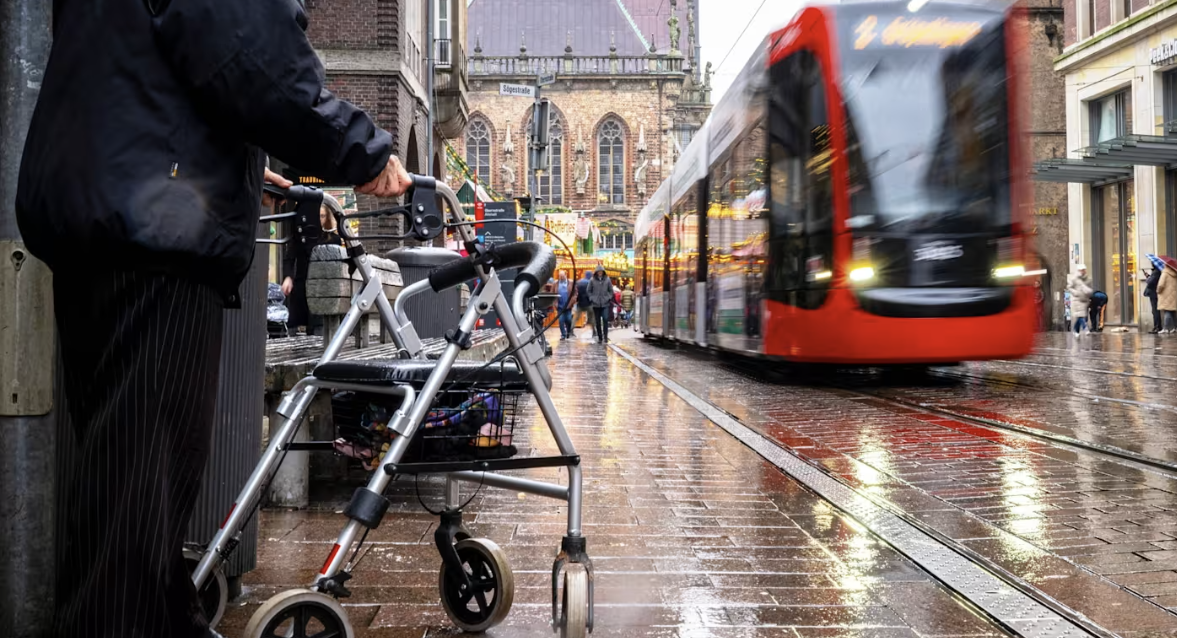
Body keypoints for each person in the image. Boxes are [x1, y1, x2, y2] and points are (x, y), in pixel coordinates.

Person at [14, 1, 411, 637]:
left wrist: (239, 160)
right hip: (156, 233)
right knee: (135, 508)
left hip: (107, 205)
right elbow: (250, 51)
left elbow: (156, 64)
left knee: (129, 495)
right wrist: (360, 148)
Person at [282, 193, 346, 336]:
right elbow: (289, 257)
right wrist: (288, 277)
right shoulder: (301, 237)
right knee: (296, 324)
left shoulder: (334, 239)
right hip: (302, 284)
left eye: (322, 216)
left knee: (318, 326)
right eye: (316, 216)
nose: (318, 220)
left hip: (323, 287)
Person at [588, 266, 615, 343]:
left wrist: (608, 297)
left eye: (601, 272)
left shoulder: (607, 280)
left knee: (605, 319)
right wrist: (592, 298)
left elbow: (611, 290)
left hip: (605, 303)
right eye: (598, 272)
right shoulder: (592, 280)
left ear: (603, 272)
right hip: (595, 304)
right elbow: (588, 290)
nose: (600, 273)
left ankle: (605, 336)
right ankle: (600, 337)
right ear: (596, 272)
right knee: (597, 321)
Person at [1067, 265, 1094, 335]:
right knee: (1081, 316)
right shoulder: (1074, 279)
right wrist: (1075, 292)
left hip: (1085, 299)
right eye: (1081, 270)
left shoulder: (1088, 279)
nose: (1082, 271)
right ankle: (1085, 328)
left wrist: (1088, 292)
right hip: (1077, 300)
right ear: (1078, 270)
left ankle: (1076, 330)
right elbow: (1069, 287)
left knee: (1081, 316)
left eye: (1084, 270)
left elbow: (1091, 288)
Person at [574, 270, 594, 339]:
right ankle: (594, 332)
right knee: (592, 318)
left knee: (576, 318)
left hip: (580, 303)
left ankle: (570, 331)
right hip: (589, 303)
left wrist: (577, 300)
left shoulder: (579, 282)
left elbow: (576, 293)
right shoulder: (591, 283)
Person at [556, 270, 576, 340]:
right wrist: (555, 303)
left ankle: (568, 332)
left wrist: (573, 300)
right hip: (560, 306)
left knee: (569, 320)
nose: (561, 277)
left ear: (565, 275)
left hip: (568, 306)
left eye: (562, 276)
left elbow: (575, 293)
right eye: (560, 276)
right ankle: (563, 335)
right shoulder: (556, 283)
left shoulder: (570, 282)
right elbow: (552, 293)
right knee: (561, 320)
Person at [1158, 262, 1177, 334]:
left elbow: (1161, 285)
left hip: (1165, 295)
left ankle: (1166, 328)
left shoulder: (1165, 273)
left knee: (1167, 311)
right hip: (1174, 295)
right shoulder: (1175, 273)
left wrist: (1158, 291)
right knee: (1172, 311)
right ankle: (1174, 328)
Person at [1145, 267, 1163, 333]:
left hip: (1154, 294)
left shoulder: (1156, 271)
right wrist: (1149, 276)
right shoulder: (1156, 271)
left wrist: (1148, 278)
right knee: (1154, 311)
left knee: (1155, 311)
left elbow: (1150, 282)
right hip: (1154, 293)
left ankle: (1157, 327)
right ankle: (1156, 326)